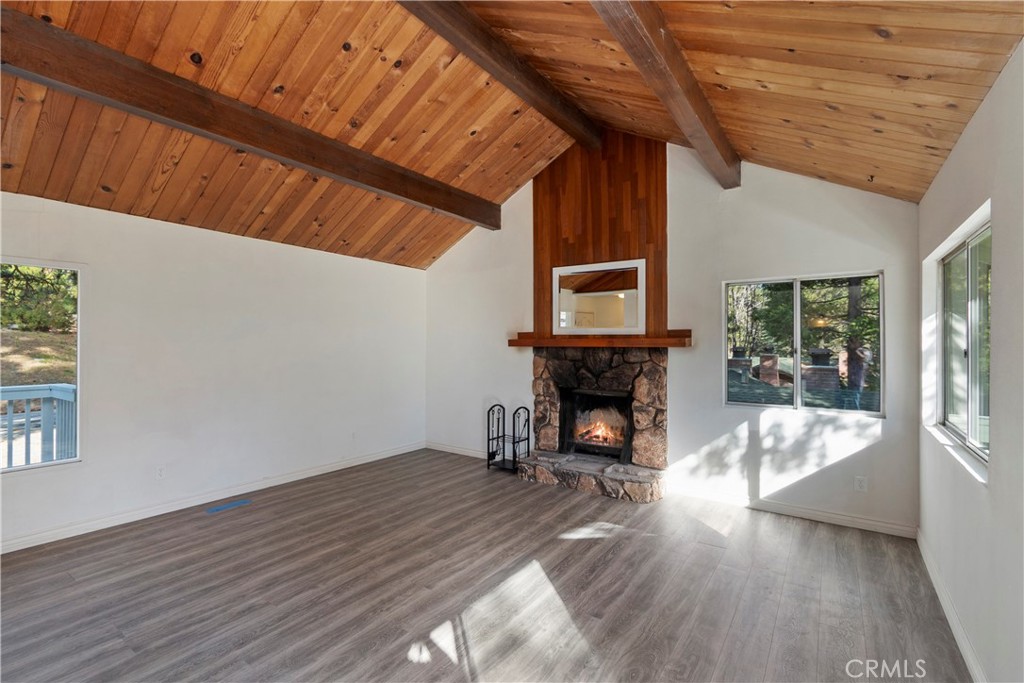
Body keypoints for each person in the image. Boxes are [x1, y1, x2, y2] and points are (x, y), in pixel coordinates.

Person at [847, 343, 873, 410]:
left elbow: (860, 353)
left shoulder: (863, 364)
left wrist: (859, 349)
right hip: (855, 382)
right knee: (854, 398)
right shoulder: (858, 363)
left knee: (855, 398)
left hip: (858, 383)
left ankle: (857, 411)